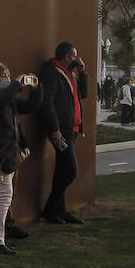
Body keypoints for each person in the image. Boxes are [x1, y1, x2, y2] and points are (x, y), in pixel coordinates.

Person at [0, 62, 40, 254]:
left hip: (5, 151)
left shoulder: (5, 99)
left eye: (8, 75)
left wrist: (36, 89)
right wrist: (14, 88)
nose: (7, 79)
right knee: (3, 196)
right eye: (3, 76)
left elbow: (26, 109)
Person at [36, 41, 88, 224]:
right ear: (67, 57)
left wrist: (82, 73)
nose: (77, 58)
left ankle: (59, 210)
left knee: (62, 171)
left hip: (72, 130)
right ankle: (51, 208)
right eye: (74, 56)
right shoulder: (52, 74)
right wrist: (54, 129)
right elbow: (47, 102)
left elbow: (84, 93)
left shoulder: (69, 74)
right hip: (61, 130)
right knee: (70, 170)